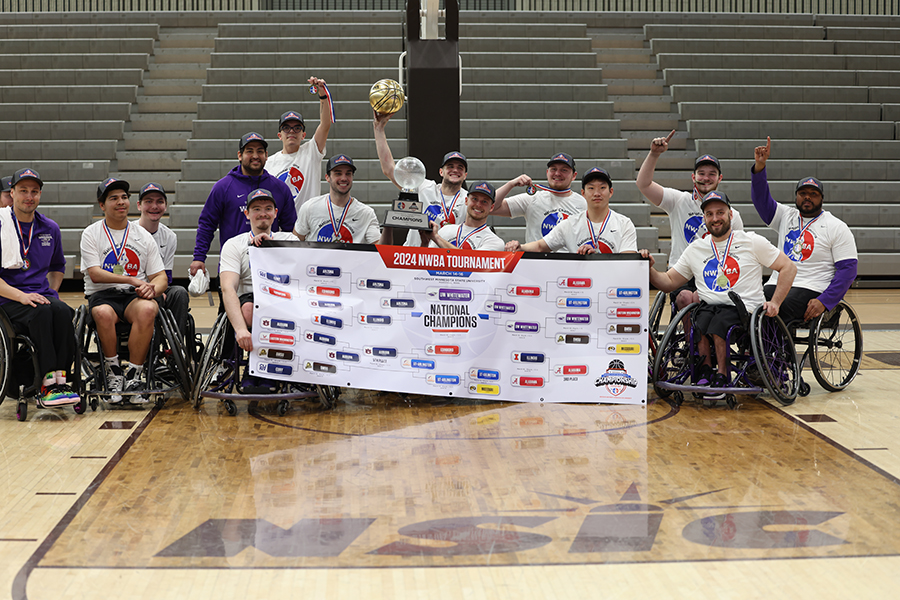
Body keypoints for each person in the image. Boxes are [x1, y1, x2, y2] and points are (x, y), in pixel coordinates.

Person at [641, 191, 796, 389]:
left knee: (720, 321)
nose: (715, 218)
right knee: (699, 319)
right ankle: (706, 370)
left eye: (720, 213)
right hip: (710, 307)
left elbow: (789, 267)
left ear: (730, 214)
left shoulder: (752, 241)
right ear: (704, 218)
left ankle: (723, 374)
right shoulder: (696, 248)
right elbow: (669, 280)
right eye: (710, 214)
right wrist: (650, 268)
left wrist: (775, 302)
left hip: (744, 309)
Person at [751, 137, 859, 324]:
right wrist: (760, 167)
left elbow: (848, 270)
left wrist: (825, 301)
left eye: (813, 194)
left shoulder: (836, 226)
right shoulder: (786, 216)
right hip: (778, 283)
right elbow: (761, 201)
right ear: (796, 196)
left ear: (822, 199)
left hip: (813, 288)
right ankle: (753, 351)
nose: (807, 197)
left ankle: (774, 351)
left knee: (779, 307)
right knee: (752, 302)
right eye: (803, 193)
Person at [81, 178, 167, 404]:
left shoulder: (142, 235)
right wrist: (132, 278)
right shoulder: (91, 234)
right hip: (103, 295)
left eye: (124, 197)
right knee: (102, 314)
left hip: (132, 297)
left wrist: (152, 288)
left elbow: (161, 277)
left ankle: (134, 375)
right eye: (113, 198)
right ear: (102, 205)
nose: (121, 202)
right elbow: (95, 274)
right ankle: (113, 372)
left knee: (149, 308)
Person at [636, 131, 745, 310]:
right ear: (693, 177)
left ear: (720, 178)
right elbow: (643, 184)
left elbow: (738, 252)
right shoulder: (679, 201)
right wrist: (654, 154)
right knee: (687, 298)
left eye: (712, 174)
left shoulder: (733, 215)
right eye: (701, 173)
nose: (706, 178)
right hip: (682, 272)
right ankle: (691, 339)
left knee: (706, 300)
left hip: (714, 273)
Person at [0, 168, 78, 406]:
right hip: (8, 298)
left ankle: (61, 380)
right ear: (12, 193)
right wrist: (22, 296)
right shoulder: (2, 225)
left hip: (39, 295)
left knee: (64, 311)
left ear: (40, 195)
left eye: (34, 191)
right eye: (23, 191)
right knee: (43, 312)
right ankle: (45, 385)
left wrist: (53, 293)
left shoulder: (49, 228)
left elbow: (57, 266)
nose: (29, 196)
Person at [219, 188, 297, 393]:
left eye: (268, 208)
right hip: (250, 299)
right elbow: (228, 288)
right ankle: (257, 368)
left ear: (276, 213)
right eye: (257, 209)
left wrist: (275, 248)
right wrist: (240, 330)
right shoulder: (234, 245)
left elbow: (301, 279)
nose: (263, 213)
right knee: (250, 310)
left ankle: (265, 370)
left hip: (284, 298)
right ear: (247, 213)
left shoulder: (290, 240)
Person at [190, 132, 297, 277]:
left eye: (260, 151)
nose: (255, 156)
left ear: (266, 155)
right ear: (240, 155)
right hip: (233, 267)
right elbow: (207, 224)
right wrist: (199, 257)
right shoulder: (223, 187)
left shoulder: (280, 188)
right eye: (249, 151)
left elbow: (289, 229)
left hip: (270, 268)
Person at [373, 111, 468, 245]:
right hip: (414, 259)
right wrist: (379, 128)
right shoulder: (424, 187)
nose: (455, 170)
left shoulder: (469, 200)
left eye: (460, 168)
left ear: (465, 175)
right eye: (450, 166)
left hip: (444, 262)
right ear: (441, 172)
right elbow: (389, 170)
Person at [505, 167, 636, 255]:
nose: (597, 193)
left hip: (612, 288)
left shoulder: (624, 223)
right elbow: (540, 246)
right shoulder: (570, 223)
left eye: (602, 187)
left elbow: (628, 260)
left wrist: (597, 258)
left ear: (610, 192)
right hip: (579, 287)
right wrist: (520, 247)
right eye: (591, 188)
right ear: (583, 193)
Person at [264, 76, 333, 212]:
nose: (292, 131)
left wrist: (322, 94)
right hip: (281, 228)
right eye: (286, 128)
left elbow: (325, 125)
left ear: (303, 135)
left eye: (297, 128)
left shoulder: (311, 151)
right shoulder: (268, 163)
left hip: (309, 226)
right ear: (279, 136)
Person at [491, 152, 587, 248]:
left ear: (574, 176)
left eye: (564, 170)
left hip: (570, 261)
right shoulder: (532, 199)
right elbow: (491, 208)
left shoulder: (583, 203)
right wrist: (511, 184)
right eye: (553, 169)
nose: (557, 173)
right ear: (547, 172)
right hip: (536, 261)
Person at [293, 155, 389, 244]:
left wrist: (389, 228)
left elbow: (380, 249)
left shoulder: (366, 213)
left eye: (348, 174)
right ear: (327, 177)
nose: (344, 178)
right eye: (338, 173)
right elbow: (296, 242)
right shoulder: (310, 207)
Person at [135, 182, 189, 333]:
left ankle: (175, 347)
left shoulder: (170, 236)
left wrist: (160, 290)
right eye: (148, 201)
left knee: (179, 293)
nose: (154, 206)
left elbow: (167, 274)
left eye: (159, 201)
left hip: (157, 286)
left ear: (165, 206)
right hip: (133, 289)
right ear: (139, 205)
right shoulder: (129, 232)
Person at [421, 181, 505, 251]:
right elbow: (428, 262)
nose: (478, 205)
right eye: (474, 199)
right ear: (466, 201)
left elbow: (469, 261)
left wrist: (436, 238)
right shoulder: (445, 230)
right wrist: (424, 243)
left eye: (484, 202)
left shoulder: (495, 242)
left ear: (492, 207)